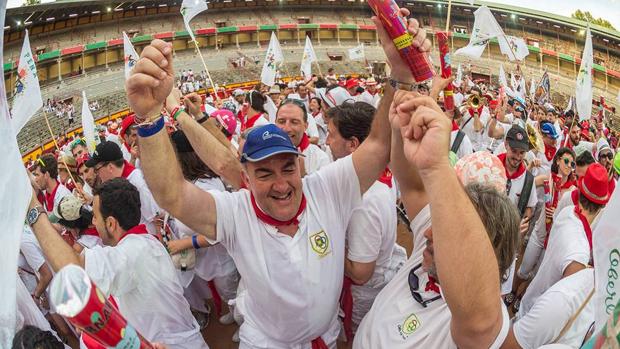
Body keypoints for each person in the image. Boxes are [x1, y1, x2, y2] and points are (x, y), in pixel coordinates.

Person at [125, 8, 430, 346]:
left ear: (300, 163)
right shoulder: (235, 212)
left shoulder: (325, 189)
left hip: (324, 338)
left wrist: (401, 74)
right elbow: (173, 195)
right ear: (246, 177)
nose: (282, 183)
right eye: (265, 173)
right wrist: (150, 117)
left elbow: (378, 143)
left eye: (287, 167)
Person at [354, 85, 518, 348]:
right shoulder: (431, 252)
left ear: (487, 249)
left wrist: (436, 166)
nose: (428, 232)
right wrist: (401, 127)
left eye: (446, 231)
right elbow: (413, 186)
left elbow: (479, 322)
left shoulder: (481, 316)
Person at [26, 178, 209, 348]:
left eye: (96, 216)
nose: (93, 221)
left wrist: (33, 210)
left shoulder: (131, 253)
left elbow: (73, 271)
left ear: (112, 224)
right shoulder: (144, 241)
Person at [324, 101, 406, 338]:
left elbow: (361, 273)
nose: (327, 142)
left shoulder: (363, 201)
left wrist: (328, 240)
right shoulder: (379, 172)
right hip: (376, 275)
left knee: (357, 336)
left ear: (353, 144)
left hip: (362, 293)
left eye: (331, 135)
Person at [518, 163, 610, 317]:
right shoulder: (580, 254)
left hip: (531, 299)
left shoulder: (566, 213)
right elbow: (565, 302)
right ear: (601, 206)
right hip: (542, 317)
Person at [85, 141, 161, 234]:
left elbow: (158, 219)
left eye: (97, 170)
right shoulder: (119, 182)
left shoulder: (136, 182)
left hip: (151, 241)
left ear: (110, 167)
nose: (97, 174)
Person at [276, 99, 331, 174]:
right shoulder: (263, 154)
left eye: (294, 122)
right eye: (281, 121)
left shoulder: (320, 158)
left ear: (305, 126)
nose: (286, 129)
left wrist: (304, 179)